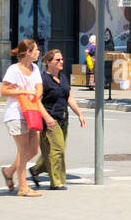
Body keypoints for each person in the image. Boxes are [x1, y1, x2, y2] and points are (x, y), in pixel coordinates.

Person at [29, 50, 87, 189]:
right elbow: (36, 101)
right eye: (57, 60)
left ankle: (36, 170)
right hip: (50, 120)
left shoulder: (63, 77)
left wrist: (79, 113)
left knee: (54, 150)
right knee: (58, 150)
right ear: (48, 62)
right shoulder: (43, 80)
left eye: (61, 59)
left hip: (63, 119)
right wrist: (47, 118)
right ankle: (56, 182)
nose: (61, 62)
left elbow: (69, 97)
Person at [0, 39, 44, 197]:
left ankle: (9, 171)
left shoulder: (36, 68)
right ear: (28, 52)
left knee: (33, 150)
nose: (39, 52)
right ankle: (23, 187)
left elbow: (39, 88)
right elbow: (3, 91)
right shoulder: (14, 69)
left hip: (32, 112)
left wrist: (35, 94)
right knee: (23, 150)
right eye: (36, 50)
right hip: (16, 114)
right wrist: (22, 92)